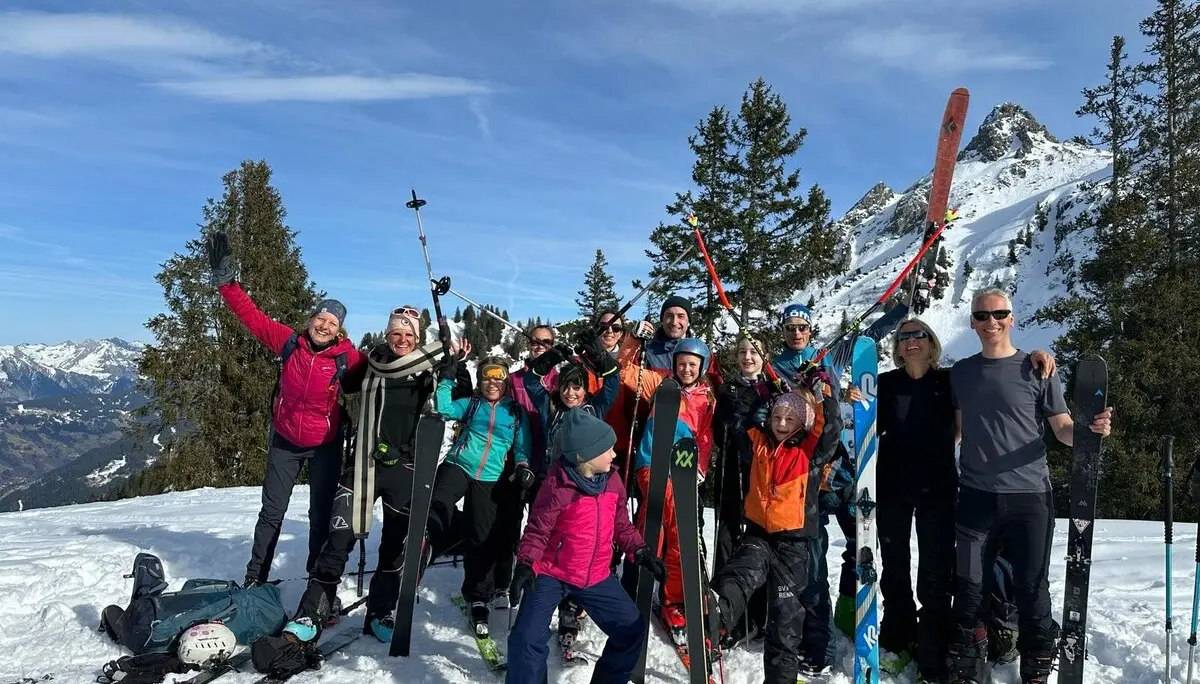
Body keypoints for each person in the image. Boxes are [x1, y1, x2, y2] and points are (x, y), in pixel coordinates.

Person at [947, 288, 1112, 684]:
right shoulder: (962, 372)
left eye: (999, 313)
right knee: (969, 586)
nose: (992, 322)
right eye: (983, 316)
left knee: (1031, 586)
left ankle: (1035, 665)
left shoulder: (1037, 369)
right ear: (972, 322)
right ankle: (968, 662)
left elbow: (1062, 429)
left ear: (1012, 317)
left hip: (1029, 498)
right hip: (975, 497)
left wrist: (1091, 432)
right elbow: (955, 431)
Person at [279, 308, 472, 644]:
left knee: (394, 548)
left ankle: (380, 610)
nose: (402, 339)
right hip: (362, 465)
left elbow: (453, 403)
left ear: (417, 339)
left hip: (405, 470)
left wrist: (457, 369)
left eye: (409, 335)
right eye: (397, 333)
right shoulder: (369, 364)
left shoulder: (425, 372)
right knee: (338, 538)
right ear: (387, 334)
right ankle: (311, 614)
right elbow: (337, 375)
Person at [204, 230, 366, 588]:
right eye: (320, 318)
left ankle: (318, 584)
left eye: (332, 323)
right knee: (271, 514)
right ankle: (254, 579)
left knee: (320, 515)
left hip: (325, 446)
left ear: (340, 331)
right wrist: (227, 284)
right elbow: (252, 317)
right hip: (285, 442)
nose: (324, 325)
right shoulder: (290, 343)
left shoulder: (347, 358)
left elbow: (385, 371)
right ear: (311, 319)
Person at [506, 410, 665, 684]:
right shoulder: (557, 486)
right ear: (585, 456)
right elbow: (537, 531)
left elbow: (621, 526)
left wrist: (640, 551)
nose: (614, 456)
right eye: (607, 450)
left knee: (631, 629)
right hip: (551, 572)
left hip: (595, 575)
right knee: (526, 639)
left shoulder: (612, 481)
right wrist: (525, 565)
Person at [707, 388, 841, 684]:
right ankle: (717, 609)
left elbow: (831, 427)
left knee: (785, 623)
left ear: (803, 424)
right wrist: (761, 394)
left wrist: (824, 394)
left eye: (789, 419)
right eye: (777, 416)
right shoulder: (759, 442)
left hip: (792, 547)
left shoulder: (810, 453)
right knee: (741, 573)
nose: (781, 424)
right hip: (758, 536)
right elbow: (742, 422)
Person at [519, 334, 621, 651]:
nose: (571, 392)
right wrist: (551, 358)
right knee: (553, 549)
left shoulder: (595, 407)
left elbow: (613, 381)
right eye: (566, 386)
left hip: (589, 497)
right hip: (556, 490)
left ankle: (572, 611)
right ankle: (545, 604)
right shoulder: (552, 409)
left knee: (582, 550)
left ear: (585, 388)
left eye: (577, 386)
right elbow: (532, 382)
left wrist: (594, 355)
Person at [422, 354, 532, 637]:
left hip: (490, 477)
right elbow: (443, 407)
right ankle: (428, 540)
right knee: (439, 501)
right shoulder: (471, 405)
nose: (492, 383)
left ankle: (478, 594)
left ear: (506, 382)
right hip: (459, 464)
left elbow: (521, 447)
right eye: (487, 377)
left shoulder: (515, 413)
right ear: (480, 381)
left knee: (480, 537)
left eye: (498, 378)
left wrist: (522, 467)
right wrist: (446, 377)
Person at [630, 338, 717, 642]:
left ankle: (667, 593)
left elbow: (704, 436)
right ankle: (660, 593)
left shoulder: (708, 398)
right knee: (673, 526)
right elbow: (630, 373)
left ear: (702, 367)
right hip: (652, 464)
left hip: (682, 470)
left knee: (665, 528)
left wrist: (700, 469)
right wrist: (632, 342)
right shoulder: (663, 384)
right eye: (682, 363)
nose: (687, 369)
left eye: (693, 364)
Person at [711, 336, 773, 647]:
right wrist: (731, 423)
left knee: (757, 544)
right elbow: (719, 434)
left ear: (765, 356)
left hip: (762, 477)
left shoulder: (774, 389)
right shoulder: (728, 389)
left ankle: (755, 618)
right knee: (726, 539)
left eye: (754, 351)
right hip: (731, 472)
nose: (747, 357)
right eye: (742, 352)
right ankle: (723, 614)